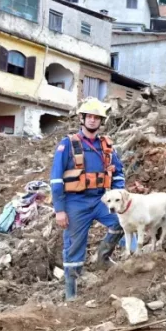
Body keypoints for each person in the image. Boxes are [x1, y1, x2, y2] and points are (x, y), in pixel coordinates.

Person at [50, 97, 126, 301]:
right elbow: (56, 179)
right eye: (89, 117)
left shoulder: (107, 145)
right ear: (82, 118)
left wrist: (118, 194)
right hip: (75, 203)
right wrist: (59, 210)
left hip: (101, 200)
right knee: (74, 246)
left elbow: (118, 173)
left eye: (97, 117)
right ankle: (71, 293)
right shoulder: (68, 144)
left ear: (101, 121)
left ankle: (103, 257)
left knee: (121, 223)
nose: (93, 120)